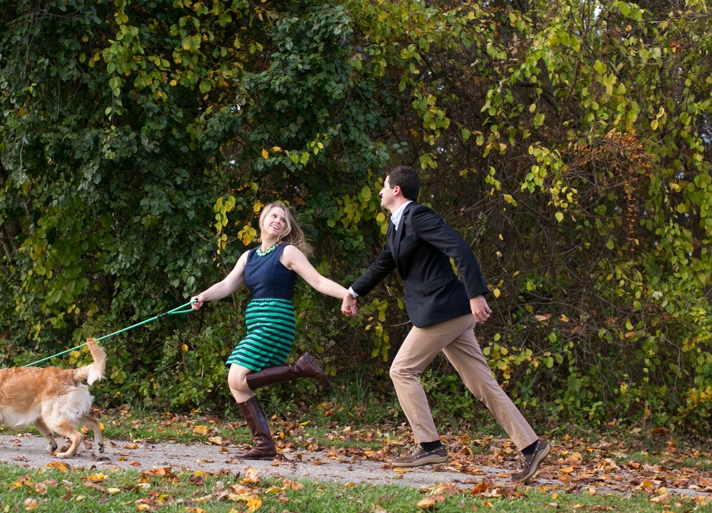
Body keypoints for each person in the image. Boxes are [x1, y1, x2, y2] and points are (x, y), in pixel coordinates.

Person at [341, 166, 551, 483]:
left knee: (401, 370)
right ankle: (532, 446)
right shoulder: (397, 226)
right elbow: (383, 263)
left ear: (397, 190)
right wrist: (353, 292)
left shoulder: (419, 216)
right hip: (447, 311)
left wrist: (476, 293)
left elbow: (459, 247)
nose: (381, 191)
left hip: (444, 309)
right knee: (482, 385)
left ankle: (429, 445)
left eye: (384, 186)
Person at [192, 201, 353, 460]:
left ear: (286, 228)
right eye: (274, 215)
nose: (278, 220)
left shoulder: (288, 252)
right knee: (236, 383)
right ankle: (264, 444)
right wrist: (203, 296)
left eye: (283, 219)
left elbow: (317, 280)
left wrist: (347, 294)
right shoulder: (248, 257)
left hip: (276, 322)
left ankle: (298, 370)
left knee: (236, 375)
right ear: (263, 220)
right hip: (256, 324)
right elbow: (226, 285)